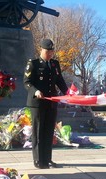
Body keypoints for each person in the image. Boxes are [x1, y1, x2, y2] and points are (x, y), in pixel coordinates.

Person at [23, 39, 68, 169]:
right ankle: (38, 159)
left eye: (51, 51)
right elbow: (26, 82)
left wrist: (68, 92)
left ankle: (47, 159)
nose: (50, 54)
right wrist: (35, 91)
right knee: (38, 131)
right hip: (37, 103)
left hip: (51, 102)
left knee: (49, 131)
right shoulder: (33, 63)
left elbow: (59, 80)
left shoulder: (55, 64)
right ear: (41, 50)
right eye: (47, 51)